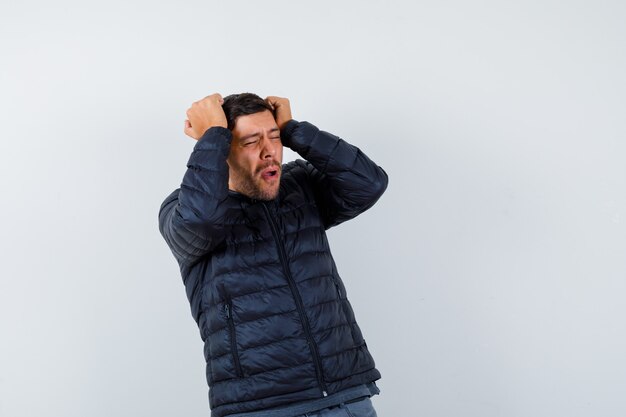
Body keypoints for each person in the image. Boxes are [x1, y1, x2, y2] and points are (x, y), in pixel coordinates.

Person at [158, 92, 388, 417]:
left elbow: (369, 183)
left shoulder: (300, 186)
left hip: (345, 395)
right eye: (251, 141)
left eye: (275, 137)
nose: (270, 152)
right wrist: (212, 136)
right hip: (259, 406)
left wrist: (294, 129)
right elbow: (202, 221)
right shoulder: (181, 210)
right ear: (223, 149)